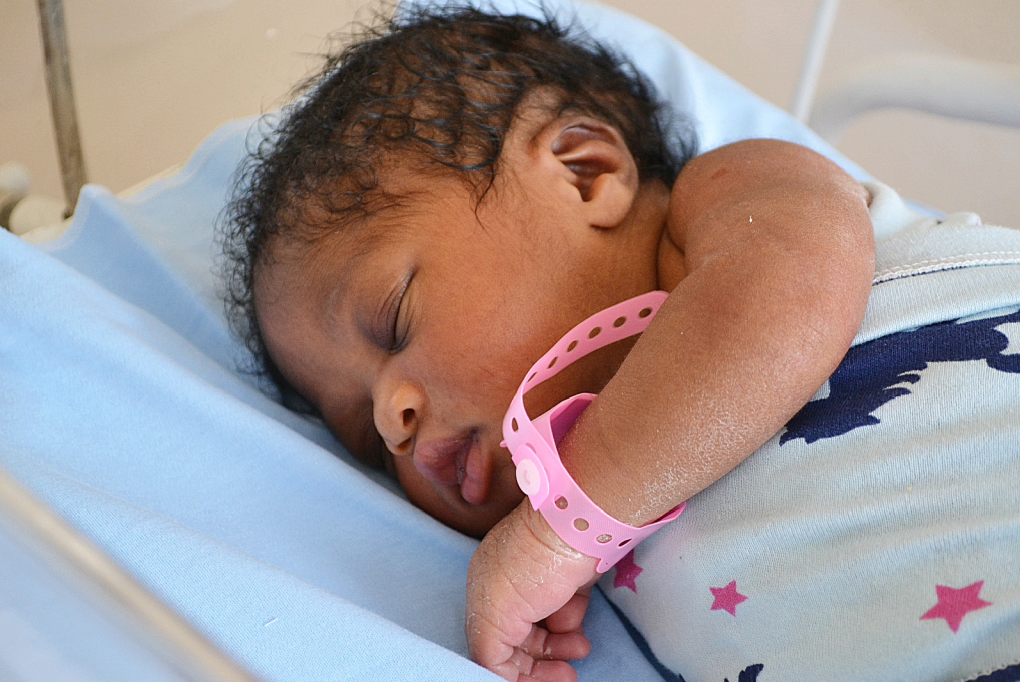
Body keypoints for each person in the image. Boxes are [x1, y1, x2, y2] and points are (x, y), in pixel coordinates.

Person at [222, 6, 879, 681]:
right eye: (367, 440)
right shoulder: (576, 584)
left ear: (585, 172)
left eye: (393, 320)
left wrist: (569, 527)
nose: (393, 424)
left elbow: (796, 286)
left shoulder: (728, 198)